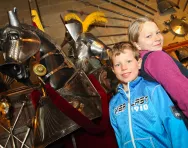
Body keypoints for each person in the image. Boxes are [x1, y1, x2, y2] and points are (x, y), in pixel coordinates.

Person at [108, 42, 188, 148]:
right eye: (118, 64)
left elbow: (175, 126)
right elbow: (119, 137)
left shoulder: (153, 90)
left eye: (128, 61)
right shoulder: (114, 103)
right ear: (113, 69)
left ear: (139, 63)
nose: (124, 68)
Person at [128, 17, 188, 118]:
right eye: (148, 36)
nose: (157, 38)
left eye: (158, 32)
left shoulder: (143, 62)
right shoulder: (156, 57)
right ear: (136, 44)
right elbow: (182, 92)